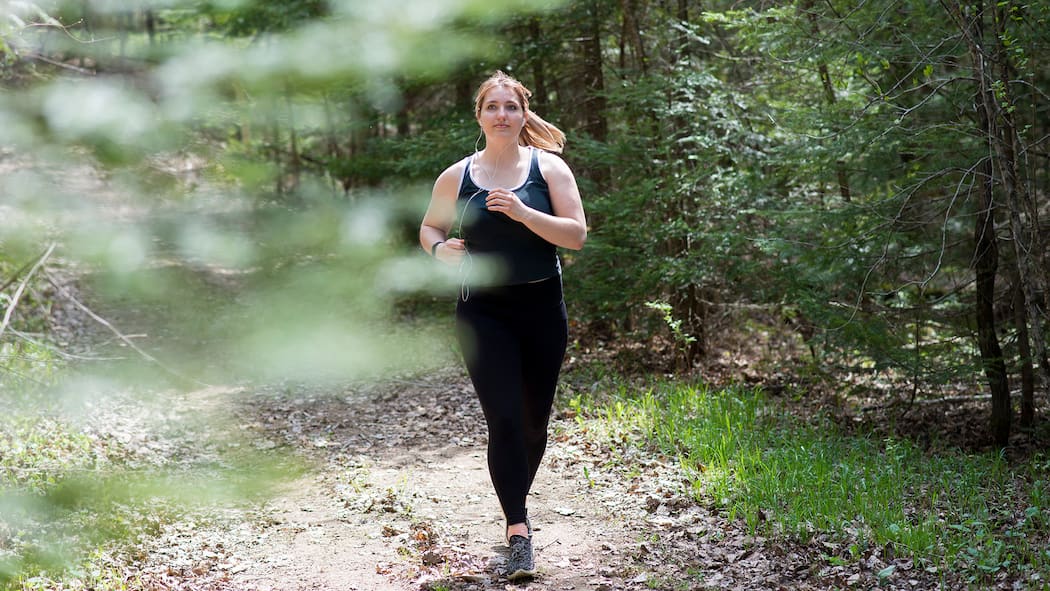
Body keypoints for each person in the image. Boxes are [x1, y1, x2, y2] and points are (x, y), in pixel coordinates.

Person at [419, 70, 587, 580]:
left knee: (534, 421)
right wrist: (438, 250)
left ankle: (516, 497)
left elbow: (576, 235)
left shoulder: (548, 169)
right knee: (505, 419)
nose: (501, 115)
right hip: (482, 312)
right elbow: (430, 227)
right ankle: (518, 530)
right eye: (492, 106)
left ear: (523, 114)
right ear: (480, 114)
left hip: (541, 309)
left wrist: (521, 213)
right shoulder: (458, 176)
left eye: (510, 107)